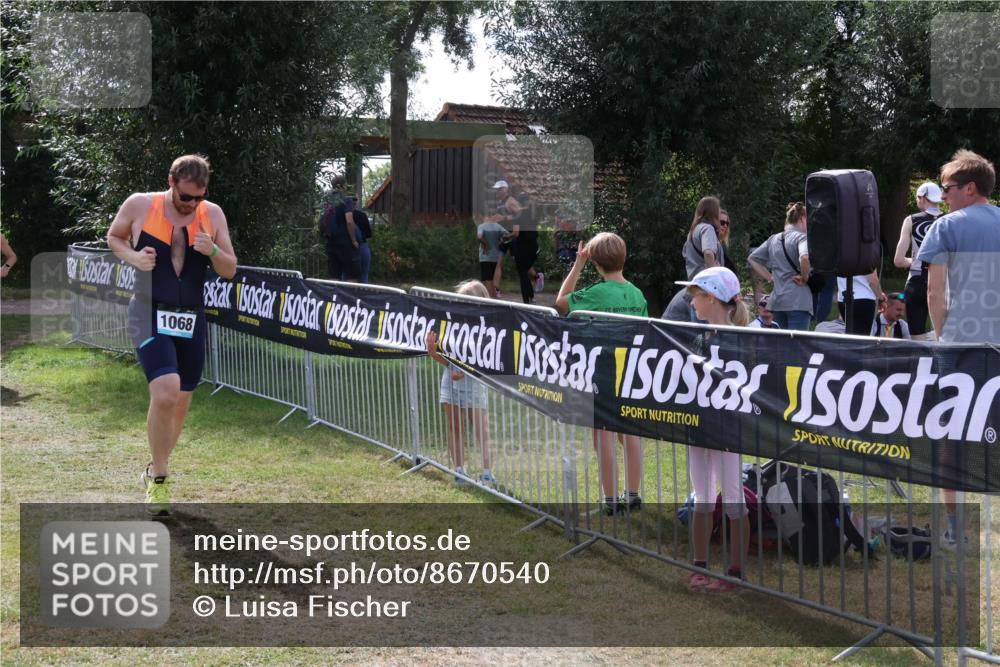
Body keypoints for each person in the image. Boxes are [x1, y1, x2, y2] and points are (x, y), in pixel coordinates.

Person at [106, 154, 237, 516]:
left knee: (179, 402)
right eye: (185, 198)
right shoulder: (140, 205)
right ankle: (161, 479)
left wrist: (211, 250)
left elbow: (229, 269)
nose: (191, 205)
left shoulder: (212, 214)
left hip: (190, 317)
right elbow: (114, 238)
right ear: (171, 182)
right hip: (148, 310)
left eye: (199, 197)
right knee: (164, 393)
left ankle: (154, 468)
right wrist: (133, 258)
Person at [917, 149, 1000, 548]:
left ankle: (955, 528)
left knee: (954, 439)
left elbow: (935, 292)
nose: (943, 195)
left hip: (960, 346)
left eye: (948, 188)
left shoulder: (945, 227)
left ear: (970, 187)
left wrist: (940, 335)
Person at [556, 232, 647, 514]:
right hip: (630, 371)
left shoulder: (595, 293)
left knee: (603, 436)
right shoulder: (637, 293)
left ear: (595, 262)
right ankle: (632, 495)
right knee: (631, 433)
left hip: (602, 373)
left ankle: (610, 500)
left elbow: (561, 302)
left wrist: (576, 265)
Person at [673, 266, 750, 593]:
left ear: (712, 298)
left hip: (728, 432)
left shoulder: (743, 339)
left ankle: (735, 573)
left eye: (695, 295)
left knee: (733, 498)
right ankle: (699, 566)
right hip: (699, 428)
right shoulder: (697, 337)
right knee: (702, 496)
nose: (690, 302)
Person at [424, 280, 495, 487]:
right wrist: (432, 352)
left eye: (468, 302)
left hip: (474, 384)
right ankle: (459, 471)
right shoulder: (452, 325)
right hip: (450, 383)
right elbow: (447, 361)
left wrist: (464, 371)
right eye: (461, 302)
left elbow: (487, 359)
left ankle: (488, 473)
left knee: (482, 430)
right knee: (455, 428)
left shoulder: (488, 329)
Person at [747, 202, 813, 331]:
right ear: (802, 219)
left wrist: (769, 277)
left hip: (777, 301)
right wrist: (805, 277)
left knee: (782, 345)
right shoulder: (802, 238)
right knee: (797, 346)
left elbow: (752, 258)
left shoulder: (773, 239)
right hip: (798, 300)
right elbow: (805, 257)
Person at [893, 182, 943, 340]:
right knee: (944, 336)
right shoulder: (949, 220)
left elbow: (898, 261)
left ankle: (921, 364)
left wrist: (913, 261)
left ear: (922, 198)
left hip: (916, 282)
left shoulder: (911, 220)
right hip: (944, 284)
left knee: (917, 339)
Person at [492, 181, 541, 303]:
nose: (497, 192)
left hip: (515, 240)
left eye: (499, 189)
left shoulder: (511, 202)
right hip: (530, 243)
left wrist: (507, 235)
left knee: (523, 271)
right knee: (521, 268)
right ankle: (529, 296)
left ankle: (529, 297)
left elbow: (516, 228)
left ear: (505, 189)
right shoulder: (530, 213)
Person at [682, 196, 725, 280]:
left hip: (695, 280)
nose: (720, 211)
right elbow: (708, 253)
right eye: (718, 208)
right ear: (713, 211)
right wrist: (713, 272)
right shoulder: (707, 228)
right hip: (706, 282)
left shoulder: (693, 231)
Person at [836, 270, 884, 336]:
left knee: (850, 335)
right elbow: (873, 281)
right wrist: (881, 297)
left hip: (843, 298)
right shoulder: (868, 258)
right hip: (864, 299)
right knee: (861, 338)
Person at [477, 217, 507, 298]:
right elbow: (507, 235)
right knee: (494, 279)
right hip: (496, 256)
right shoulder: (498, 226)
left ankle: (490, 299)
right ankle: (495, 297)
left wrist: (486, 244)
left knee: (487, 279)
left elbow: (479, 237)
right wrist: (501, 241)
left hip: (485, 257)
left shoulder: (482, 226)